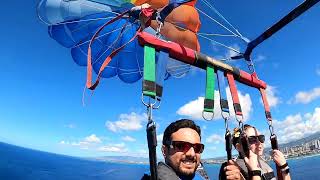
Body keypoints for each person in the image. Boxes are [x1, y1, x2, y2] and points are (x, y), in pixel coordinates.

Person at [142, 119, 242, 180]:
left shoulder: (198, 177)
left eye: (197, 148)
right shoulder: (153, 177)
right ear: (165, 151)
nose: (191, 154)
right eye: (181, 146)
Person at [224, 124, 291, 180]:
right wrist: (255, 172)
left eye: (261, 138)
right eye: (252, 139)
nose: (259, 143)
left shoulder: (262, 162)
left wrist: (284, 168)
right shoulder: (234, 169)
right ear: (238, 147)